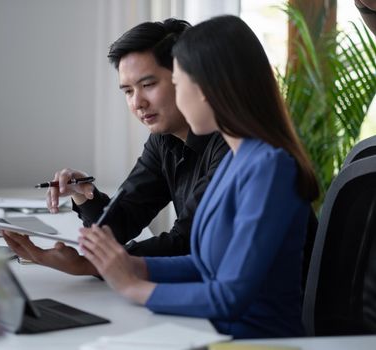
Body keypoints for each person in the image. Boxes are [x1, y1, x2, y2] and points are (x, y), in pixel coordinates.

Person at [76, 15, 320, 339]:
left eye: (177, 83)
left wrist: (135, 288)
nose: (174, 96)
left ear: (208, 89)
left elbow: (229, 295)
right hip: (211, 333)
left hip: (253, 341)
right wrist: (134, 267)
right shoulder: (237, 159)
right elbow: (204, 264)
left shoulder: (269, 167)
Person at [4, 19, 228, 276]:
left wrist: (92, 266)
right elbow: (121, 222)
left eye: (148, 85)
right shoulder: (163, 139)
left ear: (187, 77)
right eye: (128, 91)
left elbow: (187, 242)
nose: (138, 103)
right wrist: (82, 194)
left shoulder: (229, 144)